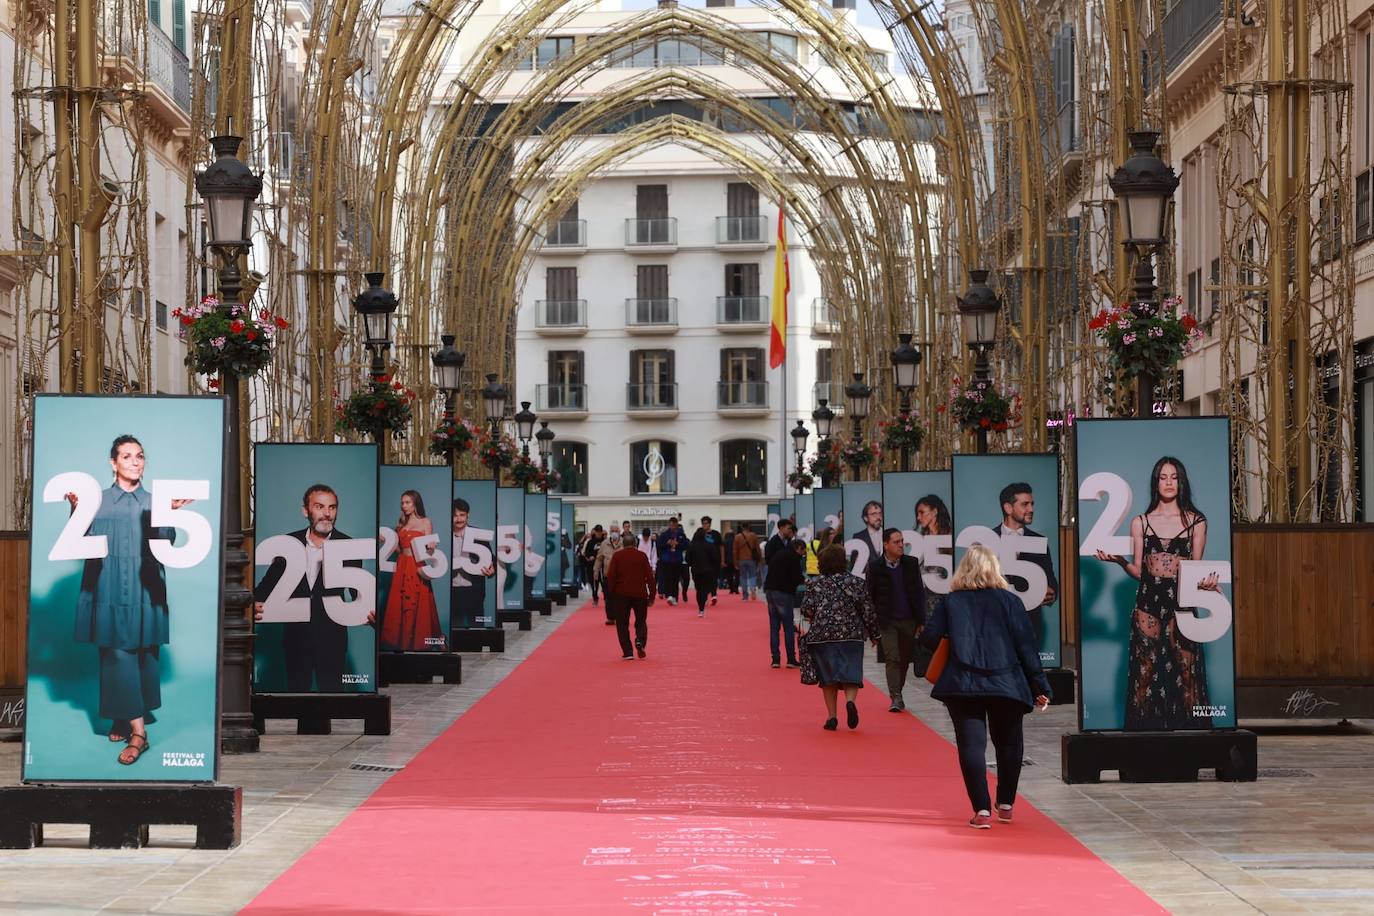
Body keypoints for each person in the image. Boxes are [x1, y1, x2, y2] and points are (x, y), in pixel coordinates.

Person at [70, 435, 183, 765]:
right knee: (116, 653)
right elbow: (80, 540)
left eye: (140, 456)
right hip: (107, 588)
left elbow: (167, 546)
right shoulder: (97, 500)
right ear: (113, 462)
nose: (135, 462)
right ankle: (139, 732)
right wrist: (76, 510)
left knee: (144, 655)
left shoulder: (155, 501)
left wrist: (170, 516)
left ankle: (122, 716)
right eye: (127, 456)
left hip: (145, 589)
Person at [920, 545, 1051, 829]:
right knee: (1009, 743)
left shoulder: (951, 602)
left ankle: (981, 810)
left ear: (963, 570)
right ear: (995, 569)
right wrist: (1039, 684)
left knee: (971, 746)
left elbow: (929, 639)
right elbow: (1026, 646)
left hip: (963, 684)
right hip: (1006, 682)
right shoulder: (1011, 601)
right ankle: (1005, 803)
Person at [1093, 456, 1220, 730]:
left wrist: (1209, 585)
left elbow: (1196, 571)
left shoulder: (1196, 522)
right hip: (1147, 605)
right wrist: (1119, 561)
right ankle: (1141, 740)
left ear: (1181, 481)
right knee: (1145, 672)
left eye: (1174, 476)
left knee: (1187, 673)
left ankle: (1190, 739)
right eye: (1163, 477)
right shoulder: (1141, 522)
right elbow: (1140, 571)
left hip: (1182, 606)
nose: (1169, 482)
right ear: (1155, 482)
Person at [255, 483, 366, 693]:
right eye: (319, 507)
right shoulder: (287, 544)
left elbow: (359, 595)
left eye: (332, 507)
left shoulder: (348, 546)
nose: (327, 514)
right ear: (305, 510)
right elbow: (265, 588)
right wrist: (254, 604)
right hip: (296, 637)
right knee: (298, 697)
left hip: (332, 637)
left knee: (330, 697)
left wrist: (369, 612)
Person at [800, 545, 881, 731]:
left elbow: (806, 610)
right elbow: (867, 610)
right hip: (851, 634)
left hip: (822, 635)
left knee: (827, 677)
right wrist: (875, 634)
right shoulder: (856, 582)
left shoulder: (815, 583)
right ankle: (850, 702)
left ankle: (832, 717)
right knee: (851, 672)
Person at [865, 527, 927, 712]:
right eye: (896, 542)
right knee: (892, 657)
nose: (901, 545)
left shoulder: (911, 563)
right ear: (885, 545)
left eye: (902, 542)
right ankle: (896, 697)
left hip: (909, 619)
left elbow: (918, 593)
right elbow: (870, 596)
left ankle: (897, 691)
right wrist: (871, 627)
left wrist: (921, 620)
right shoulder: (875, 567)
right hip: (887, 621)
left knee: (904, 659)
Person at [992, 483, 1058, 648]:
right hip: (994, 627)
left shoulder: (1038, 541)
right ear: (1008, 508)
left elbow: (1051, 579)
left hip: (1029, 627)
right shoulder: (987, 540)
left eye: (1032, 504)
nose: (1031, 509)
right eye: (1025, 504)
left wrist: (1052, 592)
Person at [379, 490, 443, 651]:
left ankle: (419, 643)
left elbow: (429, 549)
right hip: (402, 564)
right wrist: (389, 542)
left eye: (407, 502)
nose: (404, 506)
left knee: (417, 601)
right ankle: (402, 644)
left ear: (415, 504)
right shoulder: (401, 524)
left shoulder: (425, 522)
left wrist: (432, 546)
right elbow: (401, 550)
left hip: (416, 565)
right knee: (400, 602)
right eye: (402, 502)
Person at [606, 534, 656, 659]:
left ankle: (628, 651)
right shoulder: (642, 556)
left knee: (622, 623)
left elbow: (611, 576)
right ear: (635, 544)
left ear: (623, 544)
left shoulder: (617, 556)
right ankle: (640, 641)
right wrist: (652, 595)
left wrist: (611, 592)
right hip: (640, 593)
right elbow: (650, 577)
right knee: (640, 621)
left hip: (621, 594)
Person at [762, 519, 804, 668]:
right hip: (783, 592)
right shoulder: (789, 554)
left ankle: (775, 659)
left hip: (771, 589)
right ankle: (791, 658)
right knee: (787, 626)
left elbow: (770, 564)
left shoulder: (778, 551)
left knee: (774, 626)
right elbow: (796, 577)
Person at [451, 497, 496, 628]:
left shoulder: (478, 535)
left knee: (476, 626)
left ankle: (477, 647)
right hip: (452, 589)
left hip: (474, 589)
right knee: (454, 627)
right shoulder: (445, 536)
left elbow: (490, 558)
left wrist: (492, 569)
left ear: (468, 515)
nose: (458, 519)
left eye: (462, 515)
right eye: (455, 516)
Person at [687, 516, 724, 617]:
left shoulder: (692, 545)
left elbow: (687, 558)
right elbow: (715, 557)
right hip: (708, 570)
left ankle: (701, 608)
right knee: (705, 587)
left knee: (699, 589)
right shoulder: (709, 545)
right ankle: (704, 604)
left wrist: (691, 564)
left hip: (696, 570)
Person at [655, 517, 688, 605]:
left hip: (677, 559)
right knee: (668, 578)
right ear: (669, 524)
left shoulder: (681, 534)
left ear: (677, 524)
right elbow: (658, 545)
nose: (672, 526)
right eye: (671, 524)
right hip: (667, 559)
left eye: (674, 524)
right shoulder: (664, 534)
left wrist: (678, 544)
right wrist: (667, 543)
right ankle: (669, 595)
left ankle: (675, 597)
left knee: (676, 579)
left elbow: (686, 545)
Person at [593, 530, 621, 624]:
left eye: (616, 530)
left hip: (621, 576)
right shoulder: (604, 544)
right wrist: (596, 571)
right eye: (612, 530)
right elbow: (599, 559)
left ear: (619, 531)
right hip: (607, 575)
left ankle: (620, 617)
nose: (614, 532)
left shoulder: (624, 543)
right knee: (608, 597)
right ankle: (611, 617)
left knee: (620, 597)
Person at [850, 499, 884, 569]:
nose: (878, 517)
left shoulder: (889, 534)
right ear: (865, 518)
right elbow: (854, 565)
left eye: (880, 513)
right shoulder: (858, 537)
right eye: (874, 514)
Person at [733, 523, 761, 602]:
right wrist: (759, 559)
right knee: (752, 575)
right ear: (749, 527)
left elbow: (735, 551)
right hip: (751, 559)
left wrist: (735, 562)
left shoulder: (737, 537)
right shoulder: (753, 535)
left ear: (742, 527)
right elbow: (757, 548)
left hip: (741, 559)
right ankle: (752, 587)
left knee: (743, 577)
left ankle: (745, 596)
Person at [582, 525, 606, 606]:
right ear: (595, 532)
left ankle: (607, 599)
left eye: (600, 531)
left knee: (604, 583)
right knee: (594, 583)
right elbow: (586, 553)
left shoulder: (605, 542)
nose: (599, 533)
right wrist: (589, 557)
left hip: (603, 566)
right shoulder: (590, 542)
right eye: (597, 531)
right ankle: (595, 598)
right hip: (593, 566)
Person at [722, 527, 739, 594]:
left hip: (727, 561)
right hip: (736, 560)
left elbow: (723, 552)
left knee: (729, 575)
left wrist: (723, 561)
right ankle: (736, 588)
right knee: (737, 575)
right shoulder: (736, 541)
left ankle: (731, 589)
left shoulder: (724, 542)